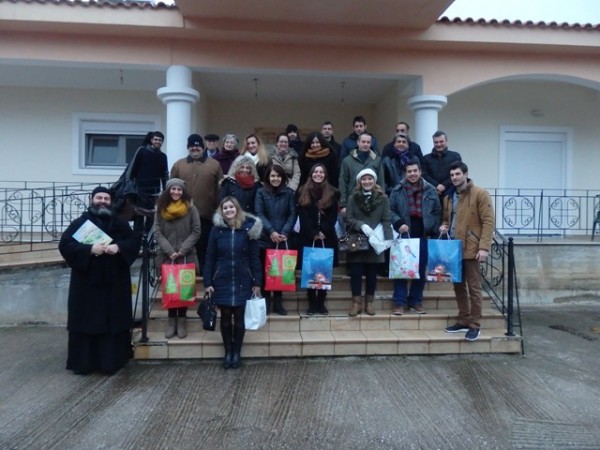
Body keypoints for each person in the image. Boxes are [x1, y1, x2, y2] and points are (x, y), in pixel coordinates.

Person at [58, 186, 141, 375]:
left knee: (113, 324)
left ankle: (111, 362)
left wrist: (119, 247)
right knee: (87, 323)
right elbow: (65, 245)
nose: (102, 201)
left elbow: (134, 243)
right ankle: (84, 364)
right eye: (99, 197)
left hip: (114, 284)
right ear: (92, 200)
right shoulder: (80, 223)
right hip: (87, 286)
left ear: (110, 202)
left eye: (106, 198)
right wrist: (89, 250)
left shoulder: (120, 223)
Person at [204, 196, 263, 369]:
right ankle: (227, 351)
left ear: (237, 208)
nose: (228, 210)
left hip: (242, 279)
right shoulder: (216, 230)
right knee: (224, 319)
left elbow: (254, 257)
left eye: (231, 207)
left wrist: (257, 281)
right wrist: (208, 281)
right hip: (222, 279)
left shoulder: (248, 229)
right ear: (221, 211)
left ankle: (236, 352)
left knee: (238, 319)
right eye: (225, 208)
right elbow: (210, 257)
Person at [440, 161, 495, 342]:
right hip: (454, 249)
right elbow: (447, 219)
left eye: (457, 174)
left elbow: (488, 221)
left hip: (472, 248)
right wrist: (444, 226)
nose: (454, 178)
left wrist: (484, 247)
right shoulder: (449, 197)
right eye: (452, 175)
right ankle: (463, 319)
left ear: (465, 174)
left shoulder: (480, 194)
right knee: (458, 286)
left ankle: (475, 324)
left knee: (474, 287)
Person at [389, 159, 441, 315]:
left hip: (423, 234)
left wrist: (434, 228)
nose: (412, 174)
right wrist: (398, 223)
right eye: (409, 171)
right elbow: (390, 210)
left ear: (420, 172)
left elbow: (437, 212)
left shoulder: (431, 190)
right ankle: (399, 302)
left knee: (420, 268)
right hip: (404, 233)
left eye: (415, 171)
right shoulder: (397, 190)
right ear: (405, 173)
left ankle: (415, 301)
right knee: (401, 268)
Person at [153, 178, 201, 339]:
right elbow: (157, 231)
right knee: (171, 289)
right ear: (168, 191)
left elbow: (196, 230)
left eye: (179, 189)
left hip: (186, 255)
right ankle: (171, 321)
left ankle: (182, 320)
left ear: (183, 192)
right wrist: (169, 251)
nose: (176, 192)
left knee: (184, 290)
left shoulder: (191, 208)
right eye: (173, 189)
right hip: (167, 256)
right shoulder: (160, 208)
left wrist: (182, 250)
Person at [170, 134, 223, 272]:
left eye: (198, 146)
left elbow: (220, 190)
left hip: (206, 216)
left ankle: (204, 277)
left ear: (203, 147)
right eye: (192, 146)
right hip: (182, 217)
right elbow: (170, 189)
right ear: (188, 147)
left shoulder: (214, 165)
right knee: (184, 248)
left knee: (204, 248)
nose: (195, 148)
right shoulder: (179, 165)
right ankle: (185, 276)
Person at [345, 169, 392, 316]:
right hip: (356, 239)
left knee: (372, 273)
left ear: (374, 181)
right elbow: (348, 218)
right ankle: (356, 303)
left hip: (375, 240)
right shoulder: (353, 198)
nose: (367, 182)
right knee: (356, 273)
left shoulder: (383, 198)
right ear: (360, 182)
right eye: (364, 179)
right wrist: (361, 225)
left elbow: (386, 219)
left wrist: (388, 239)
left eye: (370, 179)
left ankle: (369, 303)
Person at [296, 163, 340, 315]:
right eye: (315, 172)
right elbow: (302, 215)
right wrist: (313, 232)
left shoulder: (333, 192)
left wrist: (323, 231)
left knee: (323, 270)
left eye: (321, 172)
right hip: (308, 237)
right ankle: (312, 303)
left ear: (325, 175)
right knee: (310, 270)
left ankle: (321, 302)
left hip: (326, 237)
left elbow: (333, 215)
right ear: (311, 174)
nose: (318, 174)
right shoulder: (302, 191)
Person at [255, 164, 296, 316]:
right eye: (272, 176)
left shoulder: (289, 193)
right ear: (268, 177)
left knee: (280, 272)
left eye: (278, 176)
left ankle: (278, 303)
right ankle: (266, 301)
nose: (275, 179)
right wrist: (271, 231)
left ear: (282, 178)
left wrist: (284, 232)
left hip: (283, 238)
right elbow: (259, 213)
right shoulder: (261, 192)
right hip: (265, 237)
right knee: (266, 271)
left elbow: (293, 214)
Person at [338, 132, 385, 211]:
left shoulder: (377, 160)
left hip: (373, 201)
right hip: (353, 200)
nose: (366, 144)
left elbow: (381, 181)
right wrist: (343, 204)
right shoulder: (347, 161)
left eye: (368, 142)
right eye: (363, 142)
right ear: (358, 142)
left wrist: (382, 201)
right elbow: (343, 182)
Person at [129, 131, 168, 210]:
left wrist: (165, 191)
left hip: (155, 192)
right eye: (155, 139)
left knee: (152, 214)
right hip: (140, 191)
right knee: (140, 214)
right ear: (151, 140)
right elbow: (133, 168)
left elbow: (164, 175)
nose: (157, 142)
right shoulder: (142, 151)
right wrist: (130, 185)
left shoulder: (163, 156)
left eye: (160, 140)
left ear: (162, 142)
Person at [422, 131, 462, 198]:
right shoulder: (426, 158)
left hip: (451, 193)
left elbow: (458, 173)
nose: (439, 144)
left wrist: (444, 185)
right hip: (431, 194)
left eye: (441, 141)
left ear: (446, 141)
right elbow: (424, 175)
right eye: (436, 142)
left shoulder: (455, 156)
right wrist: (436, 185)